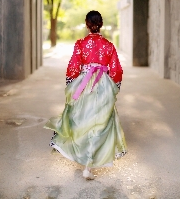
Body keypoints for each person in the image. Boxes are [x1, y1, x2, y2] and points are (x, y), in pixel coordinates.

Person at [44, 10, 127, 180]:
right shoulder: (109, 45)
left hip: (84, 84)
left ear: (87, 24)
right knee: (100, 123)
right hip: (103, 85)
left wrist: (70, 84)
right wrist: (114, 87)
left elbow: (73, 67)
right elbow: (116, 70)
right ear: (101, 24)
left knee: (82, 120)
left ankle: (83, 159)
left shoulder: (81, 44)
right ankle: (89, 165)